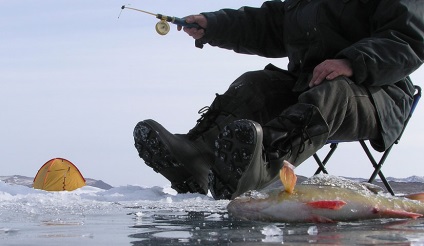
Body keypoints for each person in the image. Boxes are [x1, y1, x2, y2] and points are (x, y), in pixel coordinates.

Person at [133, 0, 424, 200]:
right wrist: (214, 25)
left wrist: (352, 61)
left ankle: (261, 164)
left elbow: (410, 36)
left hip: (376, 91)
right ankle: (197, 157)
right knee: (256, 84)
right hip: (307, 85)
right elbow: (269, 24)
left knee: (332, 91)